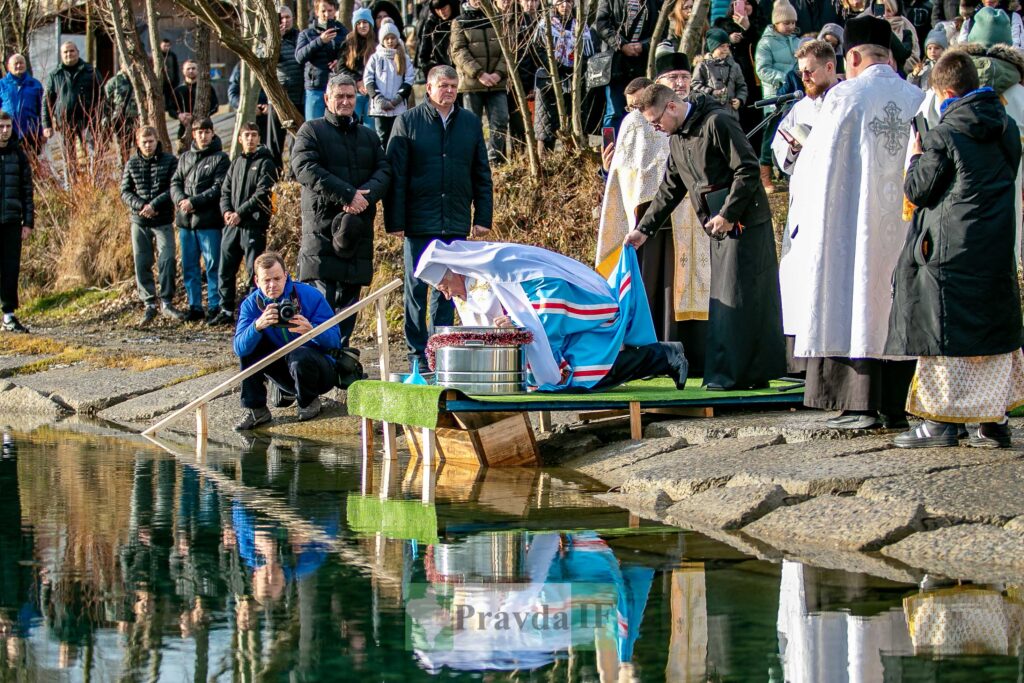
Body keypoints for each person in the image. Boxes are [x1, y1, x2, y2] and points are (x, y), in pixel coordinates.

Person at [784, 16, 925, 430]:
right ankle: (899, 404)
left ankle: (859, 403)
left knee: (856, 297)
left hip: (853, 225)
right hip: (903, 225)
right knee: (894, 304)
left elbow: (816, 169)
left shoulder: (846, 96)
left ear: (854, 56)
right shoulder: (917, 97)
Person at [886, 51, 1023, 448]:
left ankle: (941, 423)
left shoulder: (944, 133)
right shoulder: (1007, 126)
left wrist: (914, 158)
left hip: (950, 247)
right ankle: (992, 422)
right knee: (990, 331)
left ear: (946, 91)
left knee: (943, 331)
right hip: (995, 242)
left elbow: (919, 189)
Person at [629, 83, 787, 390]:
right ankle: (734, 374)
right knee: (728, 298)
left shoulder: (718, 122)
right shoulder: (676, 139)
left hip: (744, 222)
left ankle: (735, 376)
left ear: (671, 106)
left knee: (741, 297)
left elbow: (748, 168)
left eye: (655, 121)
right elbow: (670, 188)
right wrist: (643, 229)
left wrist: (729, 214)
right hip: (718, 225)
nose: (656, 128)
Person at [414, 240, 689, 391]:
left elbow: (532, 300)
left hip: (558, 299)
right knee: (585, 371)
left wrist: (516, 327)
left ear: (455, 272)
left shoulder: (494, 265)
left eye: (444, 287)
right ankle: (662, 356)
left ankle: (664, 356)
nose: (447, 295)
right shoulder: (467, 288)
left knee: (583, 376)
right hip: (547, 317)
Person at [597, 62, 711, 375]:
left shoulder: (699, 114)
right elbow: (630, 172)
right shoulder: (636, 121)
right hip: (652, 218)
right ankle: (653, 356)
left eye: (686, 76)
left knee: (692, 284)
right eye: (674, 77)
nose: (681, 82)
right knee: (656, 286)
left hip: (693, 215)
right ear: (658, 83)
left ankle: (695, 355)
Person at [385, 65, 492, 366]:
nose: (449, 91)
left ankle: (440, 350)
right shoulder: (408, 122)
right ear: (428, 88)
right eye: (443, 85)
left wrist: (482, 216)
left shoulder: (470, 122)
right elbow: (396, 175)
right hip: (418, 221)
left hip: (454, 219)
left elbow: (481, 172)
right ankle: (417, 354)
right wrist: (395, 222)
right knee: (417, 289)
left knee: (448, 290)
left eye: (454, 86)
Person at [912, 7, 1024, 261]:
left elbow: (921, 134)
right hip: (1005, 202)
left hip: (952, 205)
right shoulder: (1021, 95)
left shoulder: (945, 84)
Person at [291, 74, 391, 346]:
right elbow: (304, 168)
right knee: (321, 306)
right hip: (321, 233)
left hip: (357, 232)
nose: (346, 102)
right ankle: (320, 359)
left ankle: (340, 355)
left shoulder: (369, 136)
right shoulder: (311, 131)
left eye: (350, 96)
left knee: (349, 306)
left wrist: (364, 198)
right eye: (340, 97)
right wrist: (347, 194)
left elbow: (384, 170)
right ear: (327, 98)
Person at [233, 251, 341, 429]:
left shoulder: (309, 295)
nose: (272, 285)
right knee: (249, 346)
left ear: (286, 276)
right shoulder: (251, 305)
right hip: (284, 370)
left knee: (298, 354)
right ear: (256, 281)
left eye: (277, 279)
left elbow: (336, 342)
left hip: (318, 371)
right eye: (266, 280)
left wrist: (312, 331)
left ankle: (308, 401)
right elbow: (239, 349)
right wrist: (257, 326)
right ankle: (256, 409)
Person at [120, 126, 186, 326]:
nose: (148, 145)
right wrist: (142, 206)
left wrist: (154, 205)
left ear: (157, 140)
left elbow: (173, 188)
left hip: (162, 218)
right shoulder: (131, 163)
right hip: (139, 221)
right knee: (142, 262)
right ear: (138, 143)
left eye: (151, 141)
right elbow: (124, 192)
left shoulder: (170, 161)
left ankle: (166, 301)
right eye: (144, 142)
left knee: (166, 260)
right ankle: (149, 303)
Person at [214, 122, 277, 327]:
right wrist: (227, 212)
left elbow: (262, 192)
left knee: (254, 271)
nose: (250, 139)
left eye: (254, 135)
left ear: (259, 138)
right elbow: (225, 191)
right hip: (232, 225)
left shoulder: (266, 162)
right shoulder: (236, 162)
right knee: (225, 268)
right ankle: (225, 309)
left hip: (253, 225)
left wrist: (240, 213)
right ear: (240, 139)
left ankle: (252, 312)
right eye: (246, 135)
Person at [171, 118, 230, 323]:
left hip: (208, 221)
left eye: (207, 132)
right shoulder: (185, 157)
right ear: (193, 134)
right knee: (190, 266)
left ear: (212, 133)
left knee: (213, 265)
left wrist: (194, 202)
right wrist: (181, 201)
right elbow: (175, 182)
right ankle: (194, 305)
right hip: (186, 222)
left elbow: (218, 187)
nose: (203, 136)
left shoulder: (221, 158)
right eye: (199, 132)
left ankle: (214, 305)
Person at [450, 0, 510, 163]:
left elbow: (508, 47)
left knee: (501, 120)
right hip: (472, 83)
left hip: (497, 82)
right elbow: (458, 51)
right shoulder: (460, 21)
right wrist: (479, 73)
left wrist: (498, 73)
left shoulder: (498, 18)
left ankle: (494, 159)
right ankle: (474, 160)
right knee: (471, 124)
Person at [595, 0, 663, 132]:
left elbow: (662, 30)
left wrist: (644, 46)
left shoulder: (655, 2)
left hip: (643, 63)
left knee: (643, 110)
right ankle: (609, 148)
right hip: (616, 64)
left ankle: (638, 148)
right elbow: (601, 24)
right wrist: (620, 44)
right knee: (613, 113)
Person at [754, 0, 800, 192]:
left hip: (796, 96)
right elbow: (762, 69)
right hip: (776, 96)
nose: (791, 26)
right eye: (786, 22)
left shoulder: (798, 42)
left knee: (793, 133)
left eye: (793, 22)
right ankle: (765, 175)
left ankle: (790, 173)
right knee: (770, 135)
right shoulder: (766, 43)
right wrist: (786, 78)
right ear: (776, 23)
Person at [40, 41, 100, 164]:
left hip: (89, 124)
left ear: (77, 52)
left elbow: (102, 97)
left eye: (72, 51)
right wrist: (47, 125)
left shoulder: (91, 72)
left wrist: (100, 121)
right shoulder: (55, 75)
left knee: (92, 158)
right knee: (68, 160)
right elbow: (46, 102)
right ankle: (70, 183)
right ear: (61, 55)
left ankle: (91, 183)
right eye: (65, 52)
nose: (69, 54)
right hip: (65, 124)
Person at [0, 112, 32, 334]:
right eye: (1, 126)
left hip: (12, 221)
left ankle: (9, 315)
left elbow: (27, 191)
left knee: (10, 269)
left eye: (8, 126)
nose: (4, 130)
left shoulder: (19, 155)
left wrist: (27, 222)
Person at [295, 0, 349, 121]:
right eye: (323, 11)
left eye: (330, 11)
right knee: (315, 127)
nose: (326, 14)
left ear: (335, 11)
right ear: (316, 12)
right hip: (316, 87)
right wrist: (320, 41)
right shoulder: (307, 34)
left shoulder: (344, 33)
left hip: (338, 87)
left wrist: (340, 62)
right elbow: (299, 57)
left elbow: (351, 56)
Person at [364, 21, 415, 145]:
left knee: (398, 136)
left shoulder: (404, 58)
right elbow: (368, 79)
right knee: (382, 136)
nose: (390, 41)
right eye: (386, 38)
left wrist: (397, 99)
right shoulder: (375, 58)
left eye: (392, 38)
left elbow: (409, 79)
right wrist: (379, 99)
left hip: (397, 107)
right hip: (380, 108)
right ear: (382, 40)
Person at [269, 6, 304, 176]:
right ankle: (274, 176)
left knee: (296, 141)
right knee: (275, 142)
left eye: (287, 17)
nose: (284, 21)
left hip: (299, 98)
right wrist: (276, 40)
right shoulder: (271, 40)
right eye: (281, 18)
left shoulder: (301, 37)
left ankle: (293, 176)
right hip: (278, 99)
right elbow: (264, 61)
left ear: (293, 17)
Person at [693, 28, 748, 117]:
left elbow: (742, 86)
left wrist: (740, 99)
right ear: (713, 47)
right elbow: (695, 86)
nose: (726, 49)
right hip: (710, 113)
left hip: (731, 113)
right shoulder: (703, 66)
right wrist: (712, 92)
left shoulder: (734, 66)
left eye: (727, 46)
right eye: (722, 46)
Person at [337, 7, 378, 122]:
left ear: (370, 24)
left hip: (373, 93)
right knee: (351, 124)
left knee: (371, 128)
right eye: (358, 23)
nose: (362, 26)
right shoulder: (348, 44)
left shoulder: (377, 43)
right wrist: (357, 81)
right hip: (353, 92)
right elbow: (340, 68)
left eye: (365, 22)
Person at [168, 60, 220, 149]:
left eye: (193, 68)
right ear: (183, 71)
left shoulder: (207, 88)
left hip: (204, 128)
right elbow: (170, 109)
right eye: (188, 69)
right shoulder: (178, 90)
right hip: (184, 129)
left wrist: (198, 117)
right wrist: (179, 116)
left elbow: (215, 106)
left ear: (198, 70)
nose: (191, 71)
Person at [0, 54, 43, 154]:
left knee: (32, 164)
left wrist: (41, 132)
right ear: (9, 66)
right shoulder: (2, 84)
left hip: (31, 132)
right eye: (16, 63)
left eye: (21, 63)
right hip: (8, 133)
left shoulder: (35, 85)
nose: (19, 66)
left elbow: (41, 110)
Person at [103, 64, 139, 163]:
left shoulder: (142, 80)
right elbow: (105, 104)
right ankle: (123, 174)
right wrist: (107, 123)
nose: (132, 66)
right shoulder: (114, 82)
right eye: (128, 63)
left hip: (139, 121)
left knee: (142, 151)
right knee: (123, 153)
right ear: (122, 64)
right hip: (121, 122)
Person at [417, 0, 460, 76]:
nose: (441, 12)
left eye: (444, 8)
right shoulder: (431, 24)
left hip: (461, 72)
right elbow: (424, 56)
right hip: (441, 74)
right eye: (437, 10)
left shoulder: (461, 21)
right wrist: (434, 72)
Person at [159, 37, 181, 111]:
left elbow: (176, 68)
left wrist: (176, 79)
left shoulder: (172, 55)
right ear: (160, 46)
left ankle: (170, 109)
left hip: (171, 81)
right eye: (164, 46)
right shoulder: (157, 55)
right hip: (160, 81)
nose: (166, 48)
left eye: (168, 46)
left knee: (170, 96)